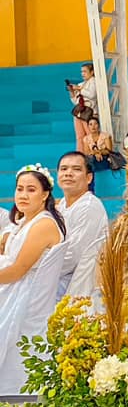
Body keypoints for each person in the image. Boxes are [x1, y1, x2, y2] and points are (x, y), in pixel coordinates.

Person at [0, 165, 67, 394]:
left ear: (45, 194)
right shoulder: (26, 221)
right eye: (19, 189)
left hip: (25, 292)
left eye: (31, 190)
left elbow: (18, 270)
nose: (23, 195)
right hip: (16, 286)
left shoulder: (44, 224)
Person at [54, 152, 108, 300]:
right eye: (64, 169)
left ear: (89, 178)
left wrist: (38, 268)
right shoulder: (62, 205)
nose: (68, 173)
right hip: (62, 278)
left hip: (80, 285)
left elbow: (72, 257)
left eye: (76, 169)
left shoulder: (89, 206)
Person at [68, 63, 98, 150]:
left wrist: (79, 89)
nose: (82, 74)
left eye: (85, 71)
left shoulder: (94, 82)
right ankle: (80, 154)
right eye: (81, 72)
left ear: (92, 72)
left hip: (89, 113)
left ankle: (92, 153)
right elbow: (75, 101)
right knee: (79, 136)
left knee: (90, 135)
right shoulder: (81, 84)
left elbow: (92, 95)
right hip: (79, 113)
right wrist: (71, 92)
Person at [81, 116, 114, 191]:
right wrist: (95, 154)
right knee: (89, 159)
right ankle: (90, 187)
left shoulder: (105, 136)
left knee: (89, 162)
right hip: (93, 161)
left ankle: (90, 189)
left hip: (104, 160)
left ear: (98, 125)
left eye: (95, 124)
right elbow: (86, 153)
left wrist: (98, 152)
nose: (93, 126)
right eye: (90, 124)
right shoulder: (86, 139)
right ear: (88, 127)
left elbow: (109, 151)